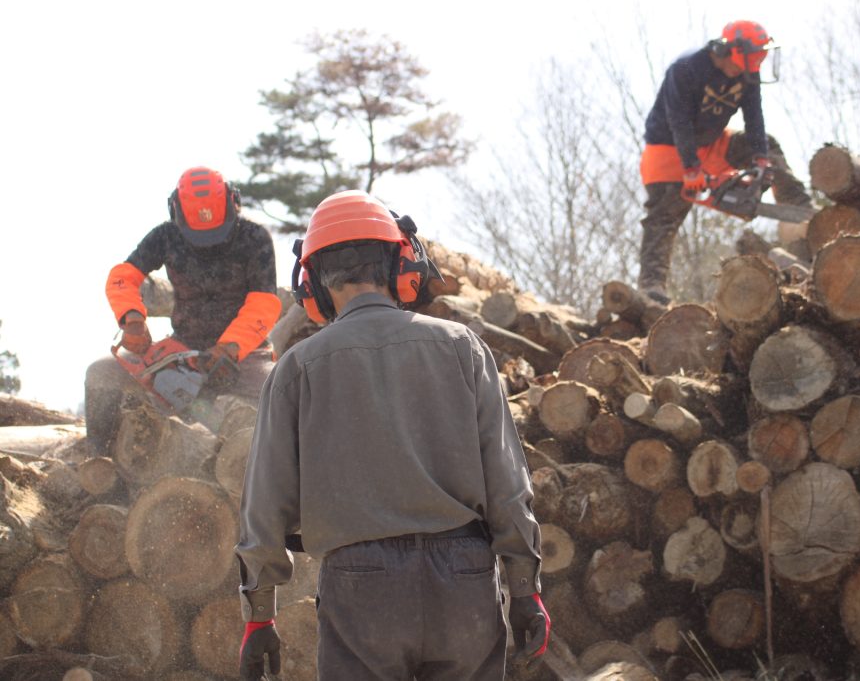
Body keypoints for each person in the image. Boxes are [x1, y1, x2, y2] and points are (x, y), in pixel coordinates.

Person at [234, 190, 550, 681]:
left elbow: (265, 504)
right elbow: (508, 484)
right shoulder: (462, 348)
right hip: (464, 580)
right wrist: (526, 590)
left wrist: (259, 616)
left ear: (313, 284)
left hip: (362, 589)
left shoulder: (297, 368)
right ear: (403, 262)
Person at [85, 166, 281, 453]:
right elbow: (123, 277)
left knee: (279, 390)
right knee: (100, 373)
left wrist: (230, 347)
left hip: (246, 355)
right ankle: (99, 465)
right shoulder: (166, 236)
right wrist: (132, 318)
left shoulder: (254, 238)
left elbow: (264, 302)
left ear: (232, 203)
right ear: (176, 211)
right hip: (182, 350)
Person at [638, 20, 812, 304]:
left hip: (713, 143)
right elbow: (678, 120)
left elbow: (754, 117)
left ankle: (799, 210)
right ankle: (651, 287)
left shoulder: (748, 76)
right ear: (729, 50)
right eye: (746, 62)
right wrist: (692, 169)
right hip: (668, 148)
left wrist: (760, 159)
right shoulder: (686, 69)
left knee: (768, 146)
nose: (746, 71)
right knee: (663, 216)